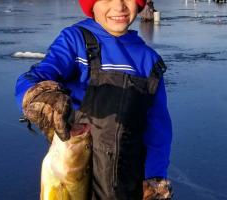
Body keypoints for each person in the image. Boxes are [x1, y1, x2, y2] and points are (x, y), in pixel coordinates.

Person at [15, 0, 173, 199]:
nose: (119, 6)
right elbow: (36, 77)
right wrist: (38, 96)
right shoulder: (76, 42)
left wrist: (154, 177)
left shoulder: (149, 61)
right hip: (76, 172)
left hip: (127, 184)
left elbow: (158, 129)